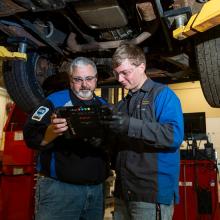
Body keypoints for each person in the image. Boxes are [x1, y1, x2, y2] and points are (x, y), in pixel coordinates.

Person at [23, 57, 110, 220]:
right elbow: (30, 135)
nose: (84, 84)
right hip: (60, 193)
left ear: (96, 79)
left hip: (96, 192)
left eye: (89, 79)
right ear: (71, 81)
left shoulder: (103, 105)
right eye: (78, 79)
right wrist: (52, 132)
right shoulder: (54, 101)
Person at [105, 44, 184, 220]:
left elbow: (173, 135)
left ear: (141, 66)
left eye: (125, 72)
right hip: (123, 193)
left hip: (151, 196)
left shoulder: (163, 95)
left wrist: (129, 125)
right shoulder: (121, 105)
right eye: (116, 73)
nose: (120, 79)